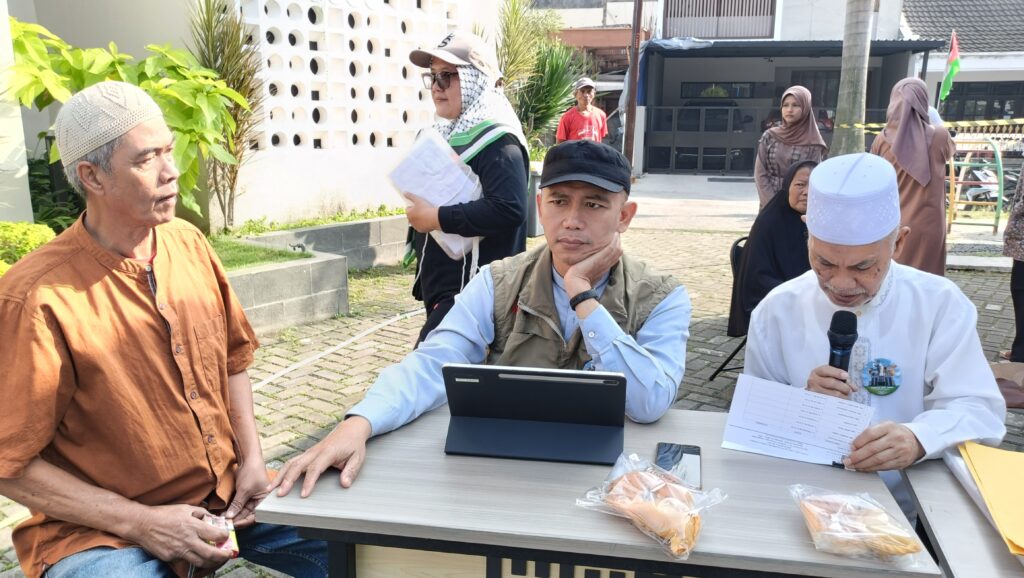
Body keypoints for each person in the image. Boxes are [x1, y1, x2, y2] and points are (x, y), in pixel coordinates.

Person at [0, 82, 327, 578]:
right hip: (102, 534)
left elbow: (233, 361)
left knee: (371, 537)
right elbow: (9, 463)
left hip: (228, 498)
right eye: (146, 159)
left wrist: (252, 462)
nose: (170, 171)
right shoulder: (35, 297)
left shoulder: (188, 243)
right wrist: (142, 523)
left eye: (168, 151)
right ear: (92, 176)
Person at [269, 140, 692, 498]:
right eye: (559, 201)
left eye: (594, 204)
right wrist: (359, 423)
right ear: (540, 206)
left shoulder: (661, 296)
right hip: (505, 481)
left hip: (612, 489)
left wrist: (582, 295)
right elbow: (434, 362)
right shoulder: (499, 282)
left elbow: (649, 403)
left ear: (624, 216)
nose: (572, 221)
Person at [744, 153, 1006, 518]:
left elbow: (979, 409)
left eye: (863, 266)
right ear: (807, 235)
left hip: (911, 508)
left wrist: (918, 438)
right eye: (824, 262)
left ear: (898, 243)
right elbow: (753, 415)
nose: (841, 284)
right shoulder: (777, 309)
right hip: (799, 502)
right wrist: (801, 404)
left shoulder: (939, 304)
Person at [405, 31, 530, 343]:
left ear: (477, 80)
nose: (436, 87)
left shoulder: (498, 139)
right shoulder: (447, 131)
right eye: (432, 77)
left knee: (426, 368)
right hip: (448, 291)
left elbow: (509, 208)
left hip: (473, 295)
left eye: (446, 76)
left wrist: (435, 218)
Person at [871, 77, 956, 276]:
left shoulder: (881, 140)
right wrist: (933, 120)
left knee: (894, 279)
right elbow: (950, 151)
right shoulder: (939, 136)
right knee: (927, 279)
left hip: (894, 223)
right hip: (929, 222)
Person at [727, 160, 816, 337]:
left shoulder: (822, 221)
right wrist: (797, 295)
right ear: (787, 186)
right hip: (771, 299)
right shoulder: (769, 222)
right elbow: (757, 278)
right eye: (800, 185)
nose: (807, 192)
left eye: (814, 186)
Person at [754, 85, 828, 210]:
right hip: (769, 203)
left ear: (805, 108)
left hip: (798, 205)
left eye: (795, 105)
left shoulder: (813, 142)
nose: (789, 110)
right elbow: (760, 172)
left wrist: (793, 205)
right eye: (785, 105)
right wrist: (772, 205)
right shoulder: (770, 136)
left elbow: (811, 179)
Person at [556, 77, 608, 143]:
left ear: (594, 94)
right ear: (575, 94)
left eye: (589, 91)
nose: (586, 95)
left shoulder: (601, 115)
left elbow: (601, 139)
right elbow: (560, 143)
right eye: (582, 91)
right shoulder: (567, 117)